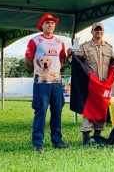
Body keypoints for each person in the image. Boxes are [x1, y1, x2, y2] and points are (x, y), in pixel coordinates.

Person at [68, 22, 114, 147]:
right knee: (89, 109)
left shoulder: (108, 47)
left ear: (103, 32)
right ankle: (86, 136)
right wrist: (70, 54)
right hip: (90, 85)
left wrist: (113, 72)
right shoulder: (85, 47)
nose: (98, 32)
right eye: (96, 30)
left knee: (102, 109)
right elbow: (73, 60)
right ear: (92, 32)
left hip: (103, 85)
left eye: (100, 30)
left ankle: (97, 135)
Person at [25, 13, 70, 153]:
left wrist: (54, 71)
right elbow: (28, 60)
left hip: (56, 82)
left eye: (52, 23)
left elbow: (61, 60)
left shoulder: (59, 42)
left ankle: (57, 141)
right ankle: (38, 143)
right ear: (42, 25)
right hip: (41, 83)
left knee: (57, 111)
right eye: (47, 23)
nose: (50, 25)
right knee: (41, 111)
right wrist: (39, 72)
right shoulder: (35, 41)